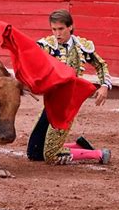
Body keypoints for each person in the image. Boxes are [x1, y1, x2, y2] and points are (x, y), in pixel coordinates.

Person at [27, 9, 112, 165]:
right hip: (51, 102)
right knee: (34, 152)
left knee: (51, 155)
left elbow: (101, 65)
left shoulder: (82, 46)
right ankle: (78, 146)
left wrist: (104, 86)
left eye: (61, 29)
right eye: (54, 29)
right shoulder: (47, 45)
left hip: (67, 104)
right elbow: (30, 62)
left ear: (70, 27)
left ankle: (98, 154)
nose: (57, 34)